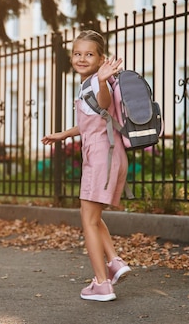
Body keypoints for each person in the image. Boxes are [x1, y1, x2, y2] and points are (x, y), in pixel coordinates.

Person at [41, 30, 131, 302]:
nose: (82, 58)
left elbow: (103, 105)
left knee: (87, 221)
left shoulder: (98, 82)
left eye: (89, 54)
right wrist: (64, 134)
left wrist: (102, 81)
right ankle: (114, 262)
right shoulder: (90, 83)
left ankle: (101, 285)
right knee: (94, 218)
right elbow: (93, 120)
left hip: (101, 157)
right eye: (77, 53)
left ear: (101, 58)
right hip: (110, 156)